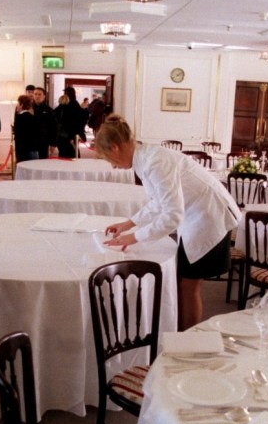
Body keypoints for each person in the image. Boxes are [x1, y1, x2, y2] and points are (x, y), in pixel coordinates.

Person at [96, 115, 241, 330]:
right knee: (184, 283)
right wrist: (129, 223)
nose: (113, 166)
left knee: (188, 285)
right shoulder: (145, 157)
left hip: (210, 217)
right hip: (199, 214)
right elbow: (158, 202)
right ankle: (184, 334)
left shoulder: (155, 162)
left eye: (109, 159)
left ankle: (187, 339)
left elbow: (172, 215)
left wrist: (134, 237)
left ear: (115, 148)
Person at [55, 86, 88, 159]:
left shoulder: (70, 103)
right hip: (66, 135)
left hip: (66, 135)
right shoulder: (72, 103)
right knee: (71, 153)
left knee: (68, 153)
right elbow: (81, 119)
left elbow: (76, 121)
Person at [13, 94, 41, 162]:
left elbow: (18, 137)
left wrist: (17, 154)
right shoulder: (33, 117)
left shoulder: (19, 118)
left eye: (18, 104)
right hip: (34, 150)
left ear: (21, 105)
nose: (17, 106)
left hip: (24, 151)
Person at [32, 86, 57, 159]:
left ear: (44, 96)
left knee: (42, 160)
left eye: (39, 94)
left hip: (43, 141)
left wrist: (53, 143)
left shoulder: (49, 110)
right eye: (35, 94)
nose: (37, 96)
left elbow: (54, 127)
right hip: (31, 141)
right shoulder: (29, 109)